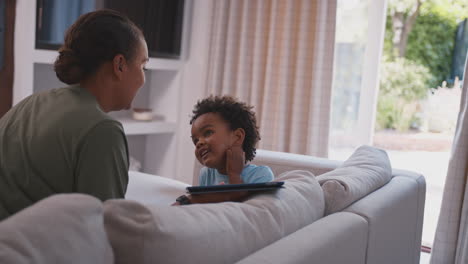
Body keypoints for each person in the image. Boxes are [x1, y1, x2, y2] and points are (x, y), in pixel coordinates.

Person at [0, 9, 149, 220]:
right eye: (143, 65)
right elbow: (105, 227)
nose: (144, 79)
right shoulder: (103, 130)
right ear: (119, 65)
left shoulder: (32, 102)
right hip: (27, 249)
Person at [174, 96, 274, 205]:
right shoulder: (206, 174)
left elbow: (244, 213)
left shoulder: (261, 175)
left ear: (237, 137)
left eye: (208, 133)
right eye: (195, 140)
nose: (199, 143)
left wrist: (234, 174)